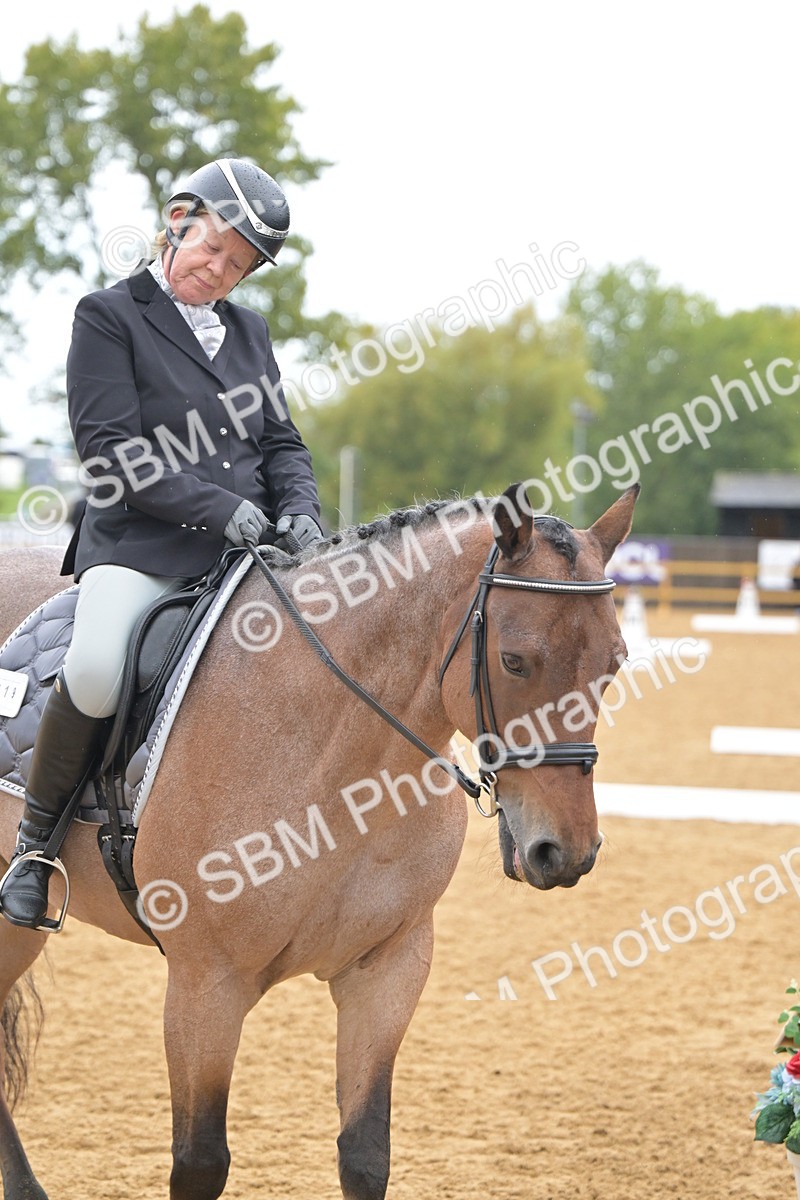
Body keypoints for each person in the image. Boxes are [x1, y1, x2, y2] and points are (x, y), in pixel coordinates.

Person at [0, 158, 323, 930]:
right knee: (98, 666)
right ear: (179, 221)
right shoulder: (107, 316)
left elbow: (282, 445)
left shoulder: (249, 333)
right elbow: (113, 455)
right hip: (140, 547)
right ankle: (36, 848)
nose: (220, 271)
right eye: (214, 249)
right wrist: (220, 511)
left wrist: (303, 512)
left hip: (246, 556)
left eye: (239, 266)